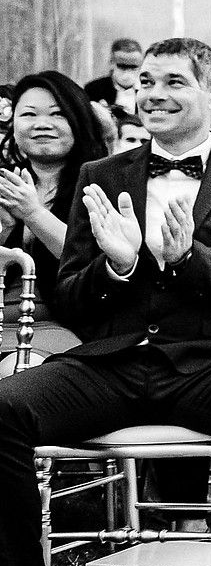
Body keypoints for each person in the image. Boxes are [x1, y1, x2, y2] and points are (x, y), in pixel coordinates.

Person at [0, 39, 211, 566]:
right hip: (111, 361)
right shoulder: (101, 173)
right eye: (147, 82)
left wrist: (188, 259)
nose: (153, 94)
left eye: (173, 82)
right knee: (4, 407)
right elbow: (74, 302)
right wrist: (118, 266)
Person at [0, 72, 108, 359]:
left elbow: (93, 263)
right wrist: (5, 229)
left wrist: (33, 214)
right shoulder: (6, 183)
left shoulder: (104, 183)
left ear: (79, 121)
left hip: (57, 328)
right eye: (29, 114)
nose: (42, 124)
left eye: (57, 114)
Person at [82, 38, 143, 116]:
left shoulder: (147, 90)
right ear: (111, 63)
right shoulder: (93, 89)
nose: (128, 71)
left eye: (133, 67)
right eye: (122, 66)